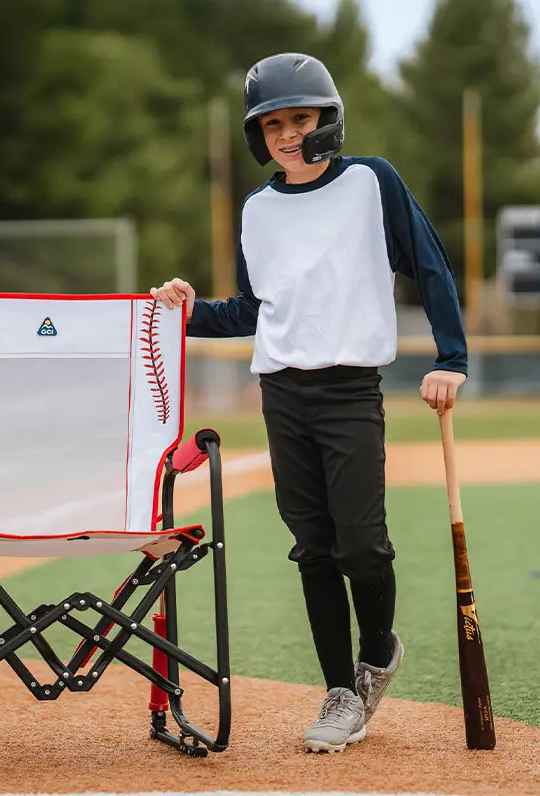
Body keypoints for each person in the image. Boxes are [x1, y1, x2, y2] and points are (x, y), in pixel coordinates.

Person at [150, 52, 469, 753]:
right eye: (274, 125)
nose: (289, 134)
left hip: (350, 389)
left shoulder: (370, 182)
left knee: (363, 543)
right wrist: (186, 310)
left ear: (330, 120)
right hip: (281, 392)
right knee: (313, 549)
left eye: (302, 119)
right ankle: (340, 692)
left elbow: (431, 264)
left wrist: (451, 358)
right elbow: (253, 310)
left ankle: (378, 652)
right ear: (256, 135)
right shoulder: (258, 211)